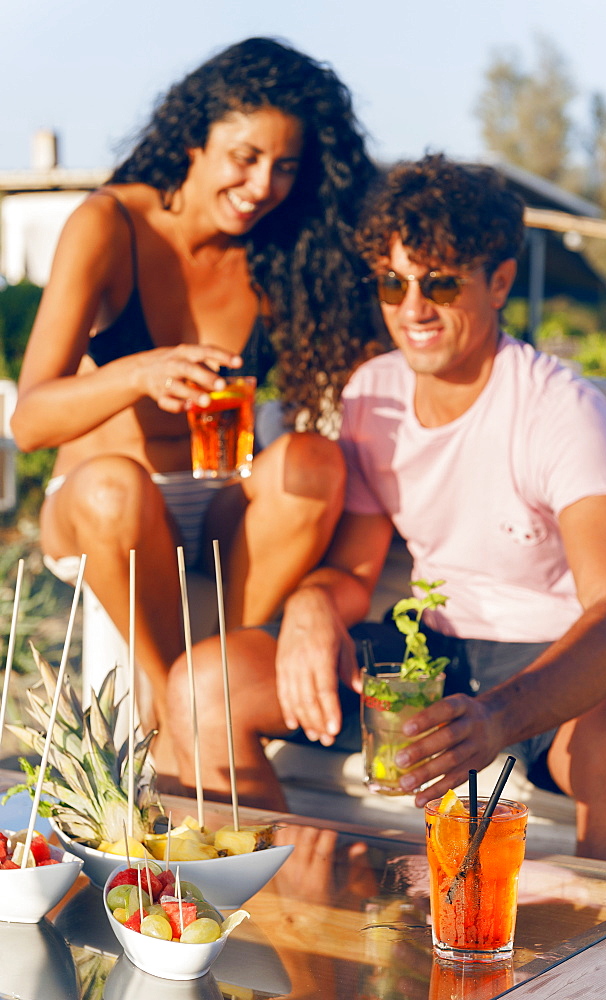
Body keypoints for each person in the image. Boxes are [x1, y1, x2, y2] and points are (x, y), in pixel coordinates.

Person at [168, 153, 606, 867]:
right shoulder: (374, 392)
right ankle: (286, 923)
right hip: (426, 650)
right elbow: (353, 564)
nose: (412, 310)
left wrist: (495, 716)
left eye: (437, 282)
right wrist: (314, 604)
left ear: (498, 281)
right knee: (203, 687)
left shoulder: (561, 410)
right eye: (392, 284)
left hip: (552, 662)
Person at [10, 37, 379, 774]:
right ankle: (159, 696)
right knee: (115, 483)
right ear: (193, 141)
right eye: (243, 156)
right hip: (99, 508)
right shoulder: (111, 225)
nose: (261, 184)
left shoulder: (285, 247)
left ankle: (209, 697)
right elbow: (29, 422)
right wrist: (137, 373)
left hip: (216, 497)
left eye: (283, 167)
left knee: (310, 459)